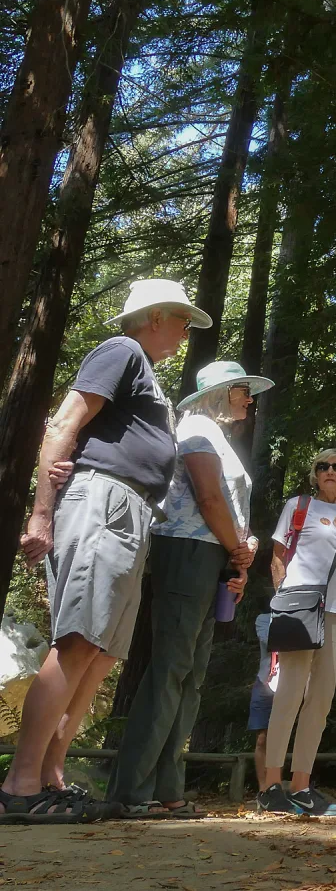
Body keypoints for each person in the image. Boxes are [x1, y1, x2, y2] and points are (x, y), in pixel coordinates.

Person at [1, 279, 210, 823]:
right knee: (78, 640)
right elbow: (63, 424)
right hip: (104, 503)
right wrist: (41, 512)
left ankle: (51, 776)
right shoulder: (122, 351)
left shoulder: (143, 369)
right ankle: (18, 785)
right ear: (154, 316)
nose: (187, 331)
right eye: (182, 319)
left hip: (134, 511)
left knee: (100, 654)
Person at [108, 361, 270, 818]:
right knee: (170, 669)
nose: (249, 400)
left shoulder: (219, 437)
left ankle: (168, 790)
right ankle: (130, 792)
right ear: (219, 392)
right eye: (243, 391)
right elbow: (208, 497)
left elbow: (230, 503)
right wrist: (237, 545)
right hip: (184, 552)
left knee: (191, 676)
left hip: (212, 557)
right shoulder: (196, 426)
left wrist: (245, 546)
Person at [257, 449, 336, 816]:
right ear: (315, 475)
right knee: (290, 693)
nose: (329, 471)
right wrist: (281, 603)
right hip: (301, 607)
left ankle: (301, 787)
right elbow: (277, 558)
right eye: (322, 467)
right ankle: (271, 785)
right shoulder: (298, 506)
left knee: (320, 700)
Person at [248, 612, 278, 783]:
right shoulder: (264, 619)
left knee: (280, 738)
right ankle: (263, 789)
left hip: (291, 682)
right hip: (265, 681)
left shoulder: (302, 618)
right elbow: (269, 641)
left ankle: (277, 785)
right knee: (262, 739)